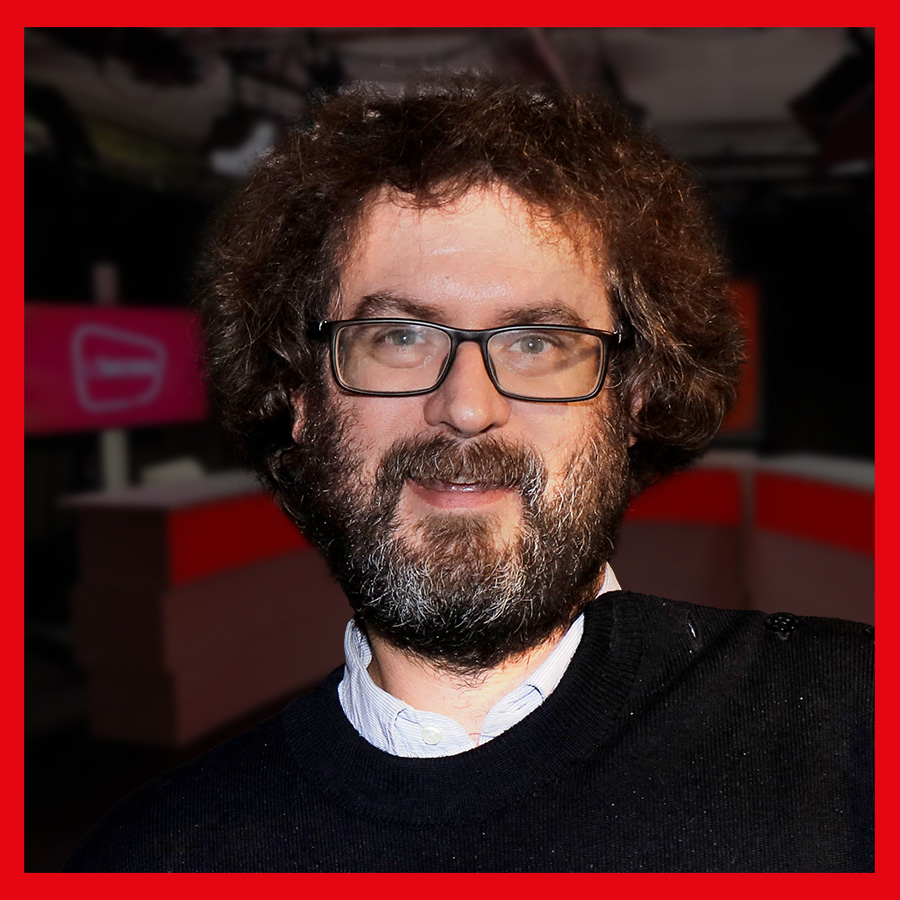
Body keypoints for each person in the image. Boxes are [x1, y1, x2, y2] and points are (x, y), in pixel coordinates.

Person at [65, 75, 873, 873]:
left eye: (537, 343)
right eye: (400, 337)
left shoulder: (857, 730)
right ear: (300, 397)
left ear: (631, 401)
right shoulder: (153, 860)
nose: (465, 406)